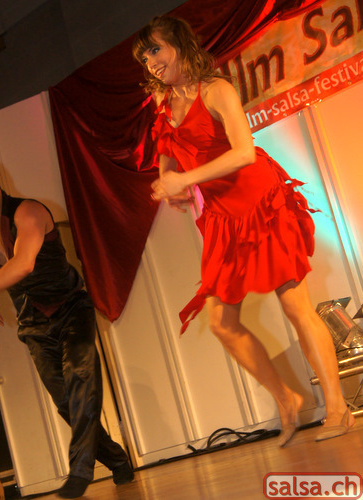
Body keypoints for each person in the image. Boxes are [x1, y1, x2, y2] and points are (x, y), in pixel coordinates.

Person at [132, 15, 354, 445]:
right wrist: (168, 181)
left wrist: (185, 180)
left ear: (179, 44)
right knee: (221, 322)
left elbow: (244, 153)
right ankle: (287, 398)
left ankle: (337, 408)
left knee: (295, 307)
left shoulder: (216, 90)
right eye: (144, 57)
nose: (150, 61)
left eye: (155, 49)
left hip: (261, 203)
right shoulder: (163, 103)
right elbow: (168, 150)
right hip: (222, 219)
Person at [0, 161, 134, 499]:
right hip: (32, 324)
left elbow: (23, 264)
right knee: (66, 403)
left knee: (81, 382)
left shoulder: (29, 212)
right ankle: (118, 460)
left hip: (71, 310)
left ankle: (80, 472)